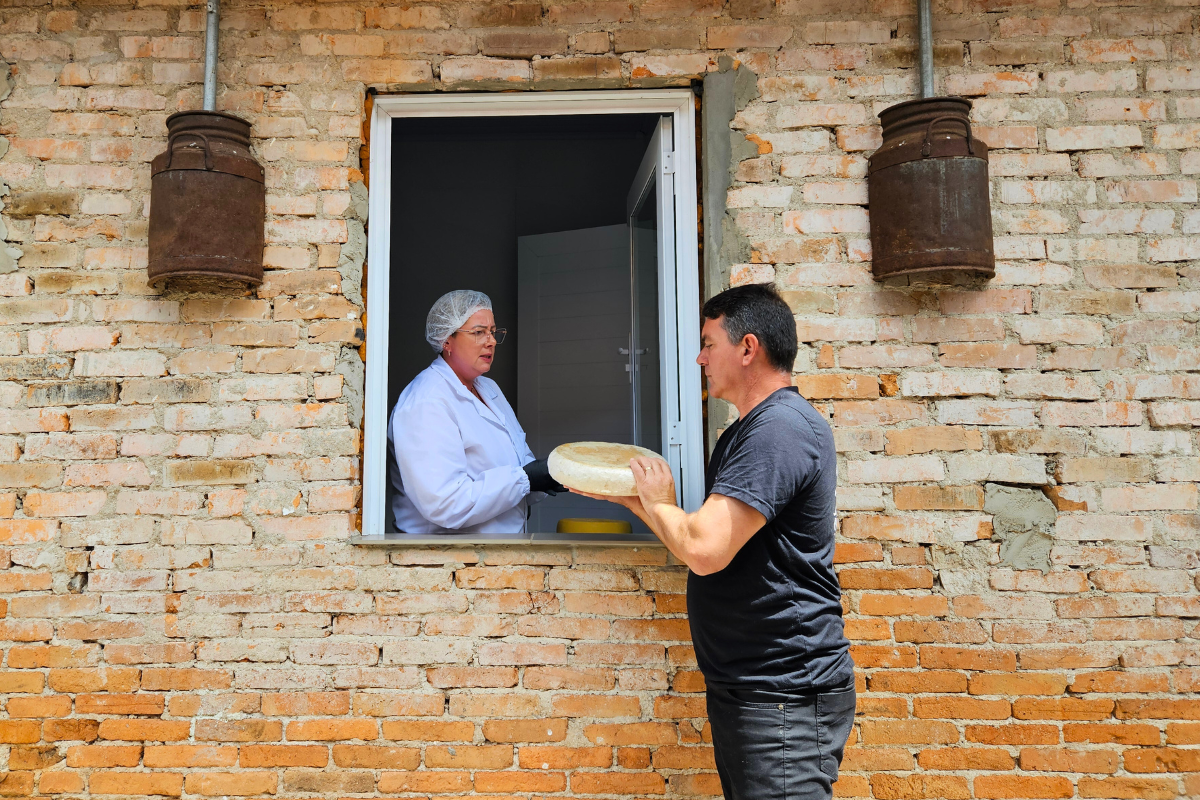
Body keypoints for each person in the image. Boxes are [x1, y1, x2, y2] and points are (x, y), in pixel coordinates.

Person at [579, 284, 855, 800]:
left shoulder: (779, 429)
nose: (700, 358)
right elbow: (703, 540)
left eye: (709, 344)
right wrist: (640, 504)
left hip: (783, 692)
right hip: (754, 688)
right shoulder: (746, 431)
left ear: (748, 348)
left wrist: (660, 502)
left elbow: (705, 550)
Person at [387, 290, 564, 533]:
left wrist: (543, 476)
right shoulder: (427, 401)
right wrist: (526, 479)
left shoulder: (488, 388)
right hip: (447, 552)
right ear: (446, 340)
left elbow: (518, 462)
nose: (491, 341)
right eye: (479, 332)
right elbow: (445, 503)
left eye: (493, 332)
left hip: (497, 549)